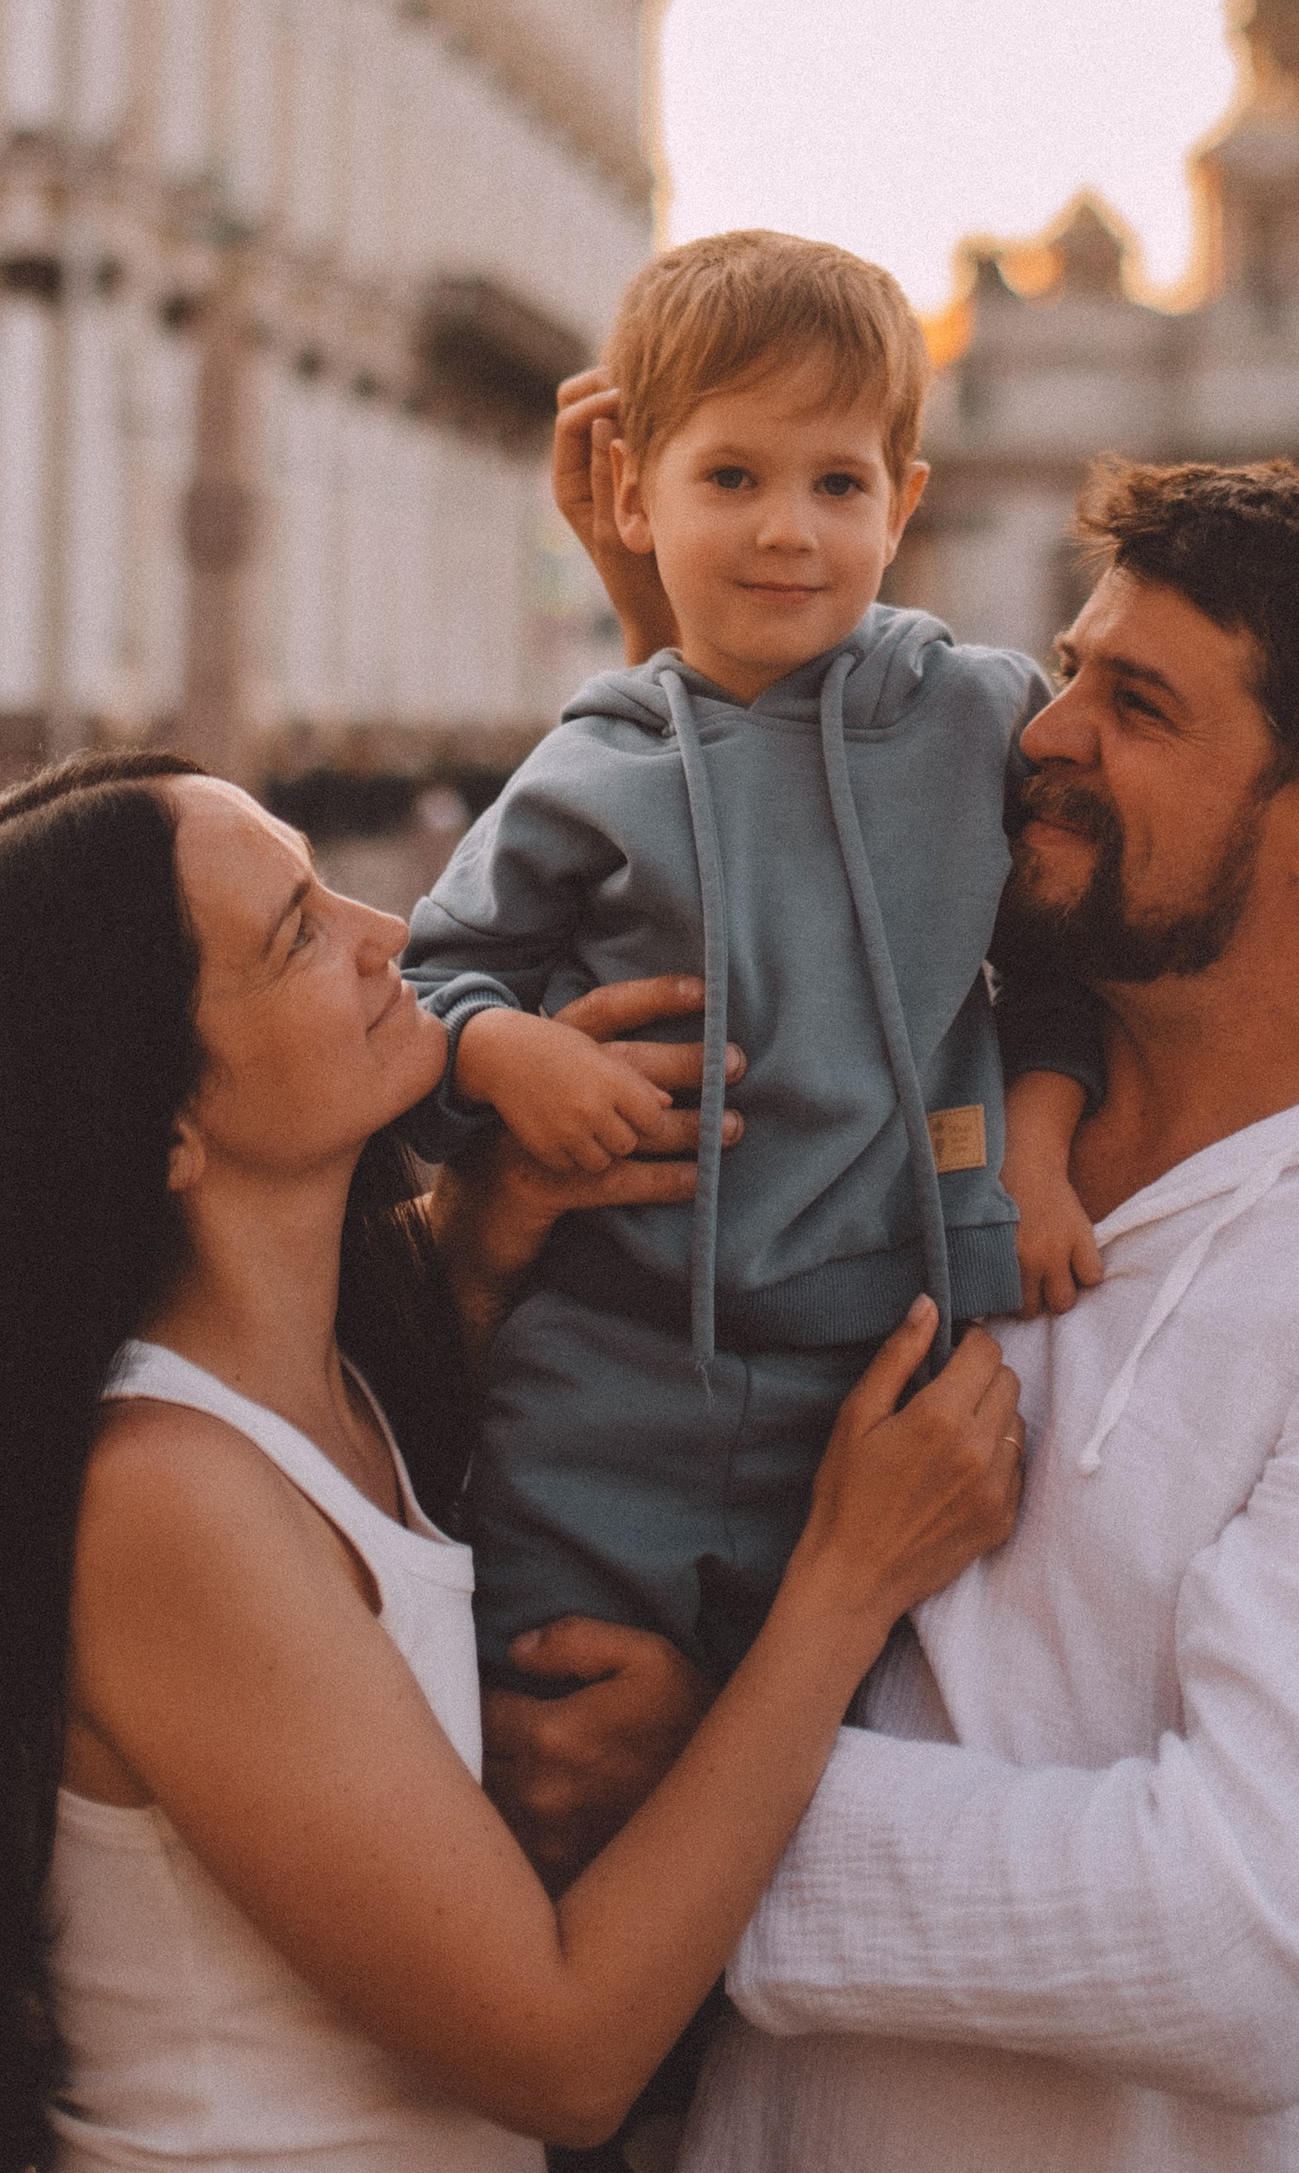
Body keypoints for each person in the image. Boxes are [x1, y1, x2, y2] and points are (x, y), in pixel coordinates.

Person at [488, 458, 1299, 2173]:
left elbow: (1253, 1945)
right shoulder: (931, 1097)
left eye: (1140, 707)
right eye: (1072, 668)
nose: (1044, 733)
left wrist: (701, 1787)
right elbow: (789, 830)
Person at [0, 749, 1023, 2173]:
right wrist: (845, 1584)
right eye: (299, 934)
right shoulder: (167, 1497)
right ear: (156, 1119)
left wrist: (482, 1251)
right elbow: (565, 2050)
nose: (385, 934)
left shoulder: (330, 1387)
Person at [400, 230, 1104, 1682]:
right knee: (551, 1715)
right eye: (732, 478)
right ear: (634, 500)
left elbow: (1067, 970)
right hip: (607, 1373)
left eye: (836, 483)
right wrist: (505, 1054)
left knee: (851, 1751)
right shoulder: (588, 768)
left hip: (887, 1371)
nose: (789, 529)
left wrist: (1034, 1150)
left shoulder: (979, 719)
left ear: (901, 505)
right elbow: (427, 990)